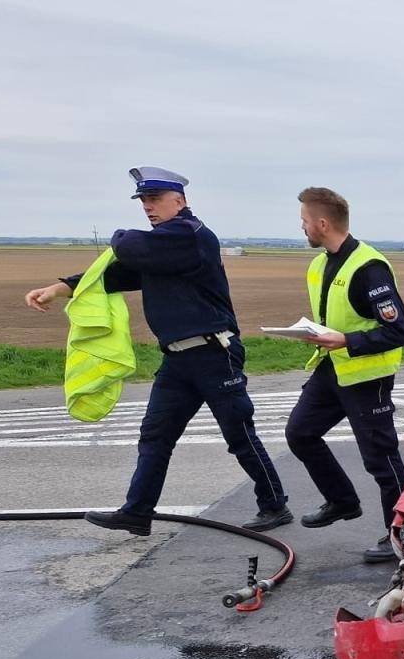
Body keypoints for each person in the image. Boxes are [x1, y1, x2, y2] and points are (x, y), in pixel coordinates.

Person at [24, 167, 289, 536]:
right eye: (144, 201)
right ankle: (137, 512)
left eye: (154, 199)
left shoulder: (190, 234)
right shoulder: (162, 249)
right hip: (177, 361)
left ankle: (274, 505)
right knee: (155, 436)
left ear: (179, 201)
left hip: (215, 354)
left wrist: (117, 236)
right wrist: (58, 289)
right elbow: (114, 276)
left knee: (239, 434)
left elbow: (129, 247)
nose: (147, 207)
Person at [286, 187, 404, 564]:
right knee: (300, 433)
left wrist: (347, 340)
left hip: (367, 376)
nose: (302, 227)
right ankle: (342, 500)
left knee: (381, 459)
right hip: (333, 368)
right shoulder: (320, 264)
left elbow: (399, 331)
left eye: (305, 221)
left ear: (323, 223)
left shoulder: (368, 268)